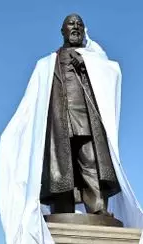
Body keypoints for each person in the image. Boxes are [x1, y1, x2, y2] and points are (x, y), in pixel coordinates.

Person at [40, 13, 121, 216]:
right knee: (60, 165)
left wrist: (86, 66)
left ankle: (97, 208)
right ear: (62, 31)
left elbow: (111, 74)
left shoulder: (93, 57)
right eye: (71, 24)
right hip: (59, 119)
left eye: (79, 24)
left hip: (85, 117)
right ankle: (61, 209)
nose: (75, 27)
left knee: (91, 160)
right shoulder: (50, 61)